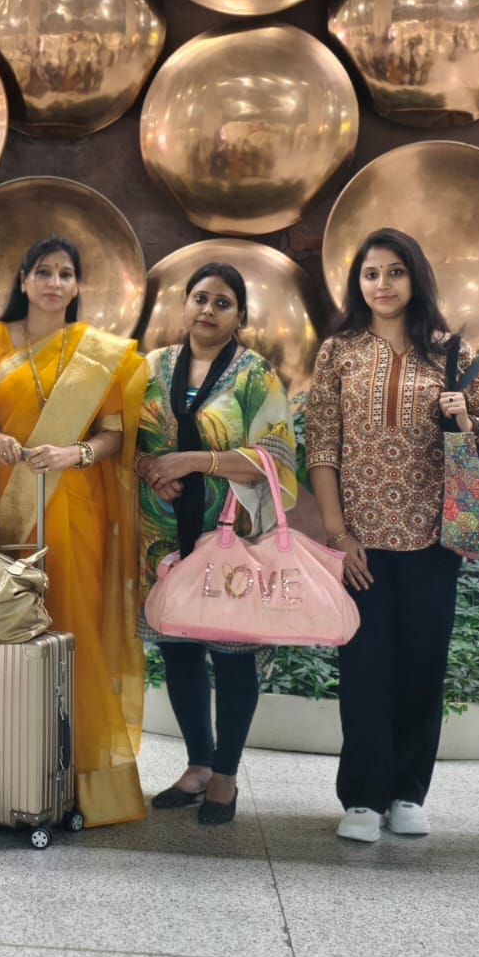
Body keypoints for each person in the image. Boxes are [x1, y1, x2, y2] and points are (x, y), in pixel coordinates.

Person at [305, 227, 479, 842]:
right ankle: (362, 798)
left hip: (434, 538)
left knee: (421, 666)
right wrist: (338, 535)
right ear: (357, 283)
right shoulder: (338, 351)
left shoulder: (450, 351)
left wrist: (471, 421)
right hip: (361, 543)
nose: (382, 284)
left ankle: (407, 793)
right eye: (371, 273)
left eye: (395, 271)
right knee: (364, 668)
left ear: (415, 278)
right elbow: (322, 447)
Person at [0, 235, 149, 828]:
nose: (54, 283)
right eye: (43, 271)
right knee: (11, 627)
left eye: (66, 274)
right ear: (23, 280)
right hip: (8, 505)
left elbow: (114, 434)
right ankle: (3, 773)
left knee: (72, 628)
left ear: (76, 285)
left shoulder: (98, 352)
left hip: (76, 503)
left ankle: (79, 779)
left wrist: (75, 453)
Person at [134, 263, 297, 826]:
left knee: (231, 656)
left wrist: (195, 461)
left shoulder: (255, 375)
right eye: (200, 298)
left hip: (230, 538)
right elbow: (125, 439)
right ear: (184, 304)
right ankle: (198, 765)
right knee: (177, 649)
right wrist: (150, 467)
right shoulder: (152, 367)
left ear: (240, 316)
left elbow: (276, 457)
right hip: (162, 534)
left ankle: (225, 774)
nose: (207, 309)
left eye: (222, 302)